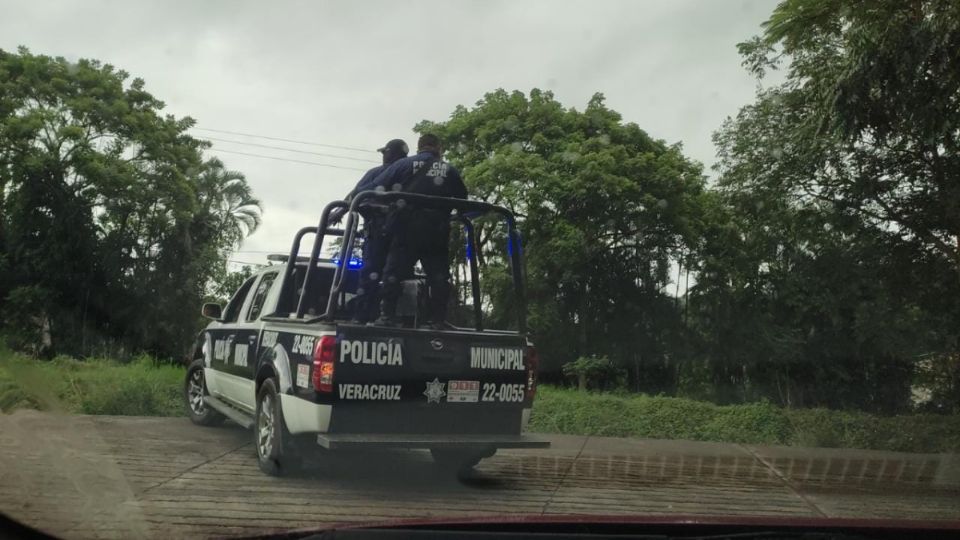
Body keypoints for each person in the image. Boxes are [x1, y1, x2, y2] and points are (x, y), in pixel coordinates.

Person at [368, 133, 467, 328]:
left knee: (393, 273)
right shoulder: (449, 170)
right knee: (438, 276)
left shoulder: (402, 165)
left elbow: (375, 188)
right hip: (436, 232)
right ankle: (438, 320)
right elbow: (463, 201)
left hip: (406, 229)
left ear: (419, 147)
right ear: (439, 148)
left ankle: (387, 316)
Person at [331, 138, 408, 323]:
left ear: (391, 153)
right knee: (395, 275)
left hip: (379, 232)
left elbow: (356, 193)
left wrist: (339, 211)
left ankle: (362, 315)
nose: (383, 156)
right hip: (403, 235)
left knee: (370, 274)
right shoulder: (409, 172)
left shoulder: (378, 173)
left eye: (385, 152)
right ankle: (389, 315)